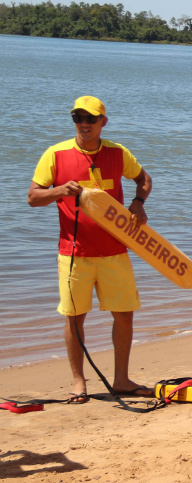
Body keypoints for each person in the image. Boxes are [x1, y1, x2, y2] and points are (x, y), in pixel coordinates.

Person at [27, 96, 154, 403]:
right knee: (74, 317)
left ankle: (121, 380)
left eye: (90, 119)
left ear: (103, 122)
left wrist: (138, 202)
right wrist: (59, 190)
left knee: (124, 315)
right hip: (74, 254)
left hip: (115, 251)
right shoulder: (55, 154)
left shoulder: (117, 152)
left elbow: (144, 179)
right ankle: (78, 382)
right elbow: (33, 197)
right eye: (78, 118)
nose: (84, 124)